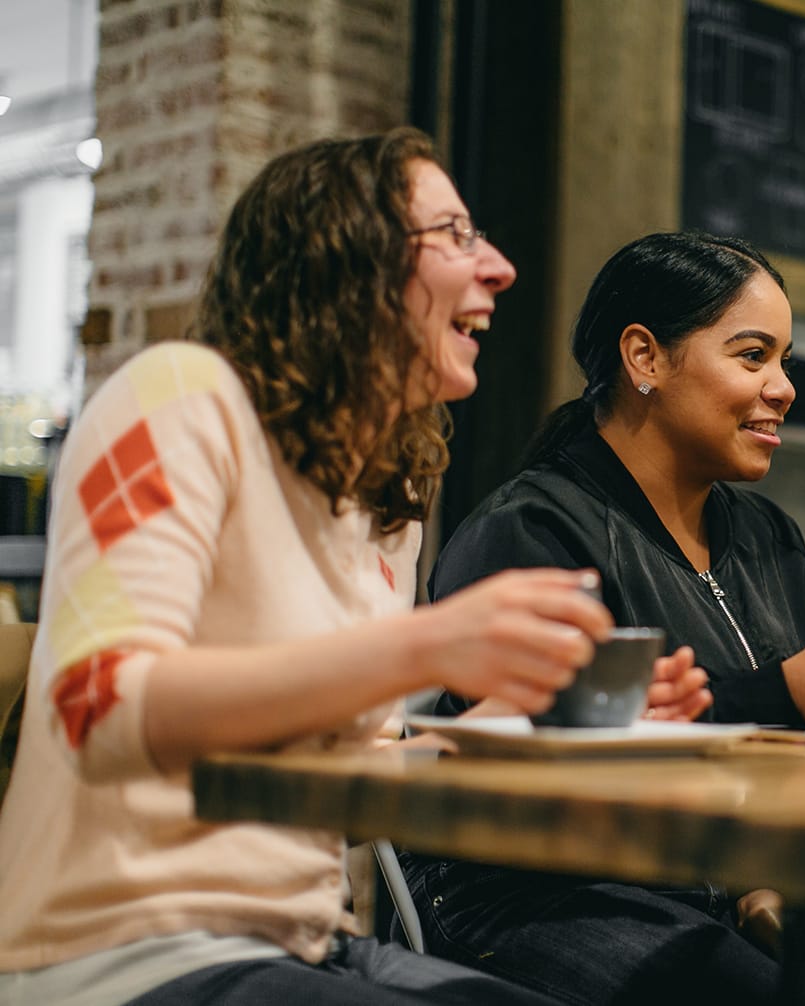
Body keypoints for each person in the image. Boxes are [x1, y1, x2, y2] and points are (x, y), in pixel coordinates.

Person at [0, 128, 617, 1006]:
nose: (501, 268)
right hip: (117, 951)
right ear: (344, 258)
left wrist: (529, 723)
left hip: (300, 940)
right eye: (455, 233)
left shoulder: (377, 498)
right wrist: (424, 649)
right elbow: (101, 709)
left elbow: (345, 781)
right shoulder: (182, 396)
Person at [406, 230, 805, 1005]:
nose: (784, 386)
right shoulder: (535, 531)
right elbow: (558, 758)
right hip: (535, 895)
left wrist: (766, 881)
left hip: (719, 882)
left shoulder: (769, 538)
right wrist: (784, 694)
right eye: (753, 356)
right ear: (645, 358)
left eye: (784, 361)